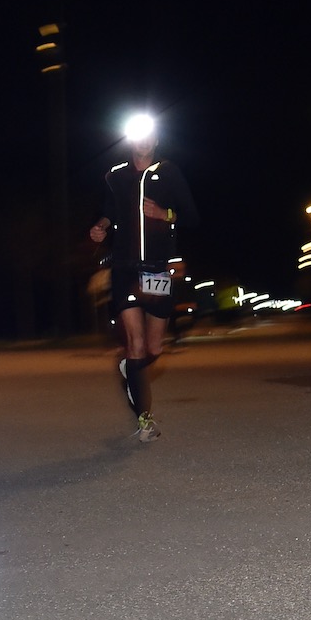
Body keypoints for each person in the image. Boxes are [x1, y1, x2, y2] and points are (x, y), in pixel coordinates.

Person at [89, 115, 198, 443]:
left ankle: (131, 369)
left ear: (156, 141)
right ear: (130, 140)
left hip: (158, 269)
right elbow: (111, 210)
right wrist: (101, 226)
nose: (143, 142)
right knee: (134, 344)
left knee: (152, 348)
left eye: (149, 136)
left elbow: (191, 216)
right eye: (137, 136)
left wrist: (163, 214)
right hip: (124, 268)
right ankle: (144, 419)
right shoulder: (116, 175)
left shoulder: (170, 172)